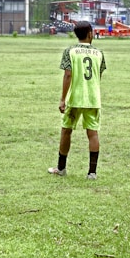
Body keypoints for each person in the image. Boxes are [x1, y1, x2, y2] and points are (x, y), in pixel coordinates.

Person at [48, 21, 106, 180]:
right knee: (92, 133)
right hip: (93, 99)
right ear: (90, 33)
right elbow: (98, 77)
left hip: (75, 98)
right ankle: (92, 173)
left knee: (66, 130)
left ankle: (61, 168)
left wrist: (62, 99)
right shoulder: (99, 53)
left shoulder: (70, 51)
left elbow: (68, 75)